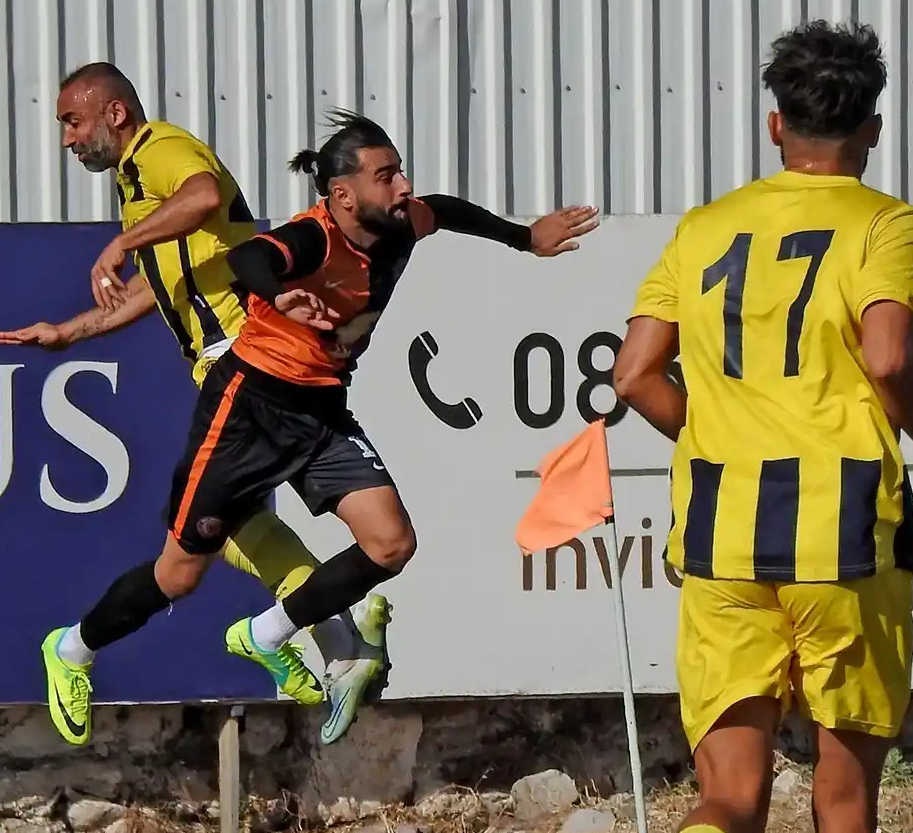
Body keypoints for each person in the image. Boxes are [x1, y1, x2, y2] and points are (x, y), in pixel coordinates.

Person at [613, 21, 913, 833]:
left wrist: (712, 438)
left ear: (774, 124)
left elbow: (633, 374)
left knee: (729, 793)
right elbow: (885, 353)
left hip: (720, 535)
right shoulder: (885, 221)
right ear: (868, 127)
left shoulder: (706, 224)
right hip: (844, 533)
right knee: (843, 797)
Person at [40, 109, 599, 747]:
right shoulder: (314, 236)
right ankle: (74, 648)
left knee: (392, 544)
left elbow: (445, 209)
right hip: (248, 407)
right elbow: (253, 256)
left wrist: (525, 238)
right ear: (342, 196)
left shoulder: (402, 224)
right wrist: (276, 295)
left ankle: (267, 635)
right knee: (179, 575)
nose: (404, 186)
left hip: (322, 409)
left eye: (399, 172)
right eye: (386, 177)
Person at [0, 64, 387, 744]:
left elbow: (204, 193)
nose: (67, 139)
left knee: (205, 553)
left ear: (114, 113)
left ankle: (323, 638)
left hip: (254, 363)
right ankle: (332, 638)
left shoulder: (159, 151)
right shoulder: (133, 183)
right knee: (223, 542)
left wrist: (121, 242)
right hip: (255, 369)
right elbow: (165, 285)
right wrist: (73, 330)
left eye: (73, 121)